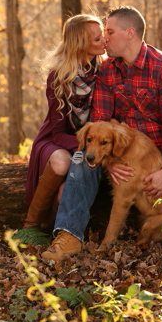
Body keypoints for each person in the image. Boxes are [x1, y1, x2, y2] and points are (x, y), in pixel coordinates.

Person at [41, 6, 162, 265]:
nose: (105, 38)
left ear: (130, 33)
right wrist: (112, 162)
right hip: (123, 149)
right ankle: (69, 235)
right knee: (81, 160)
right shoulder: (108, 70)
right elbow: (100, 121)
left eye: (109, 32)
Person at [24, 14, 106, 231]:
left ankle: (50, 230)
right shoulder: (58, 77)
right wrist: (86, 146)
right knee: (62, 162)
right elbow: (57, 132)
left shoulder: (105, 69)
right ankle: (30, 226)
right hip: (58, 140)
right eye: (97, 39)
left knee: (64, 190)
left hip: (93, 142)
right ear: (81, 45)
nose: (104, 41)